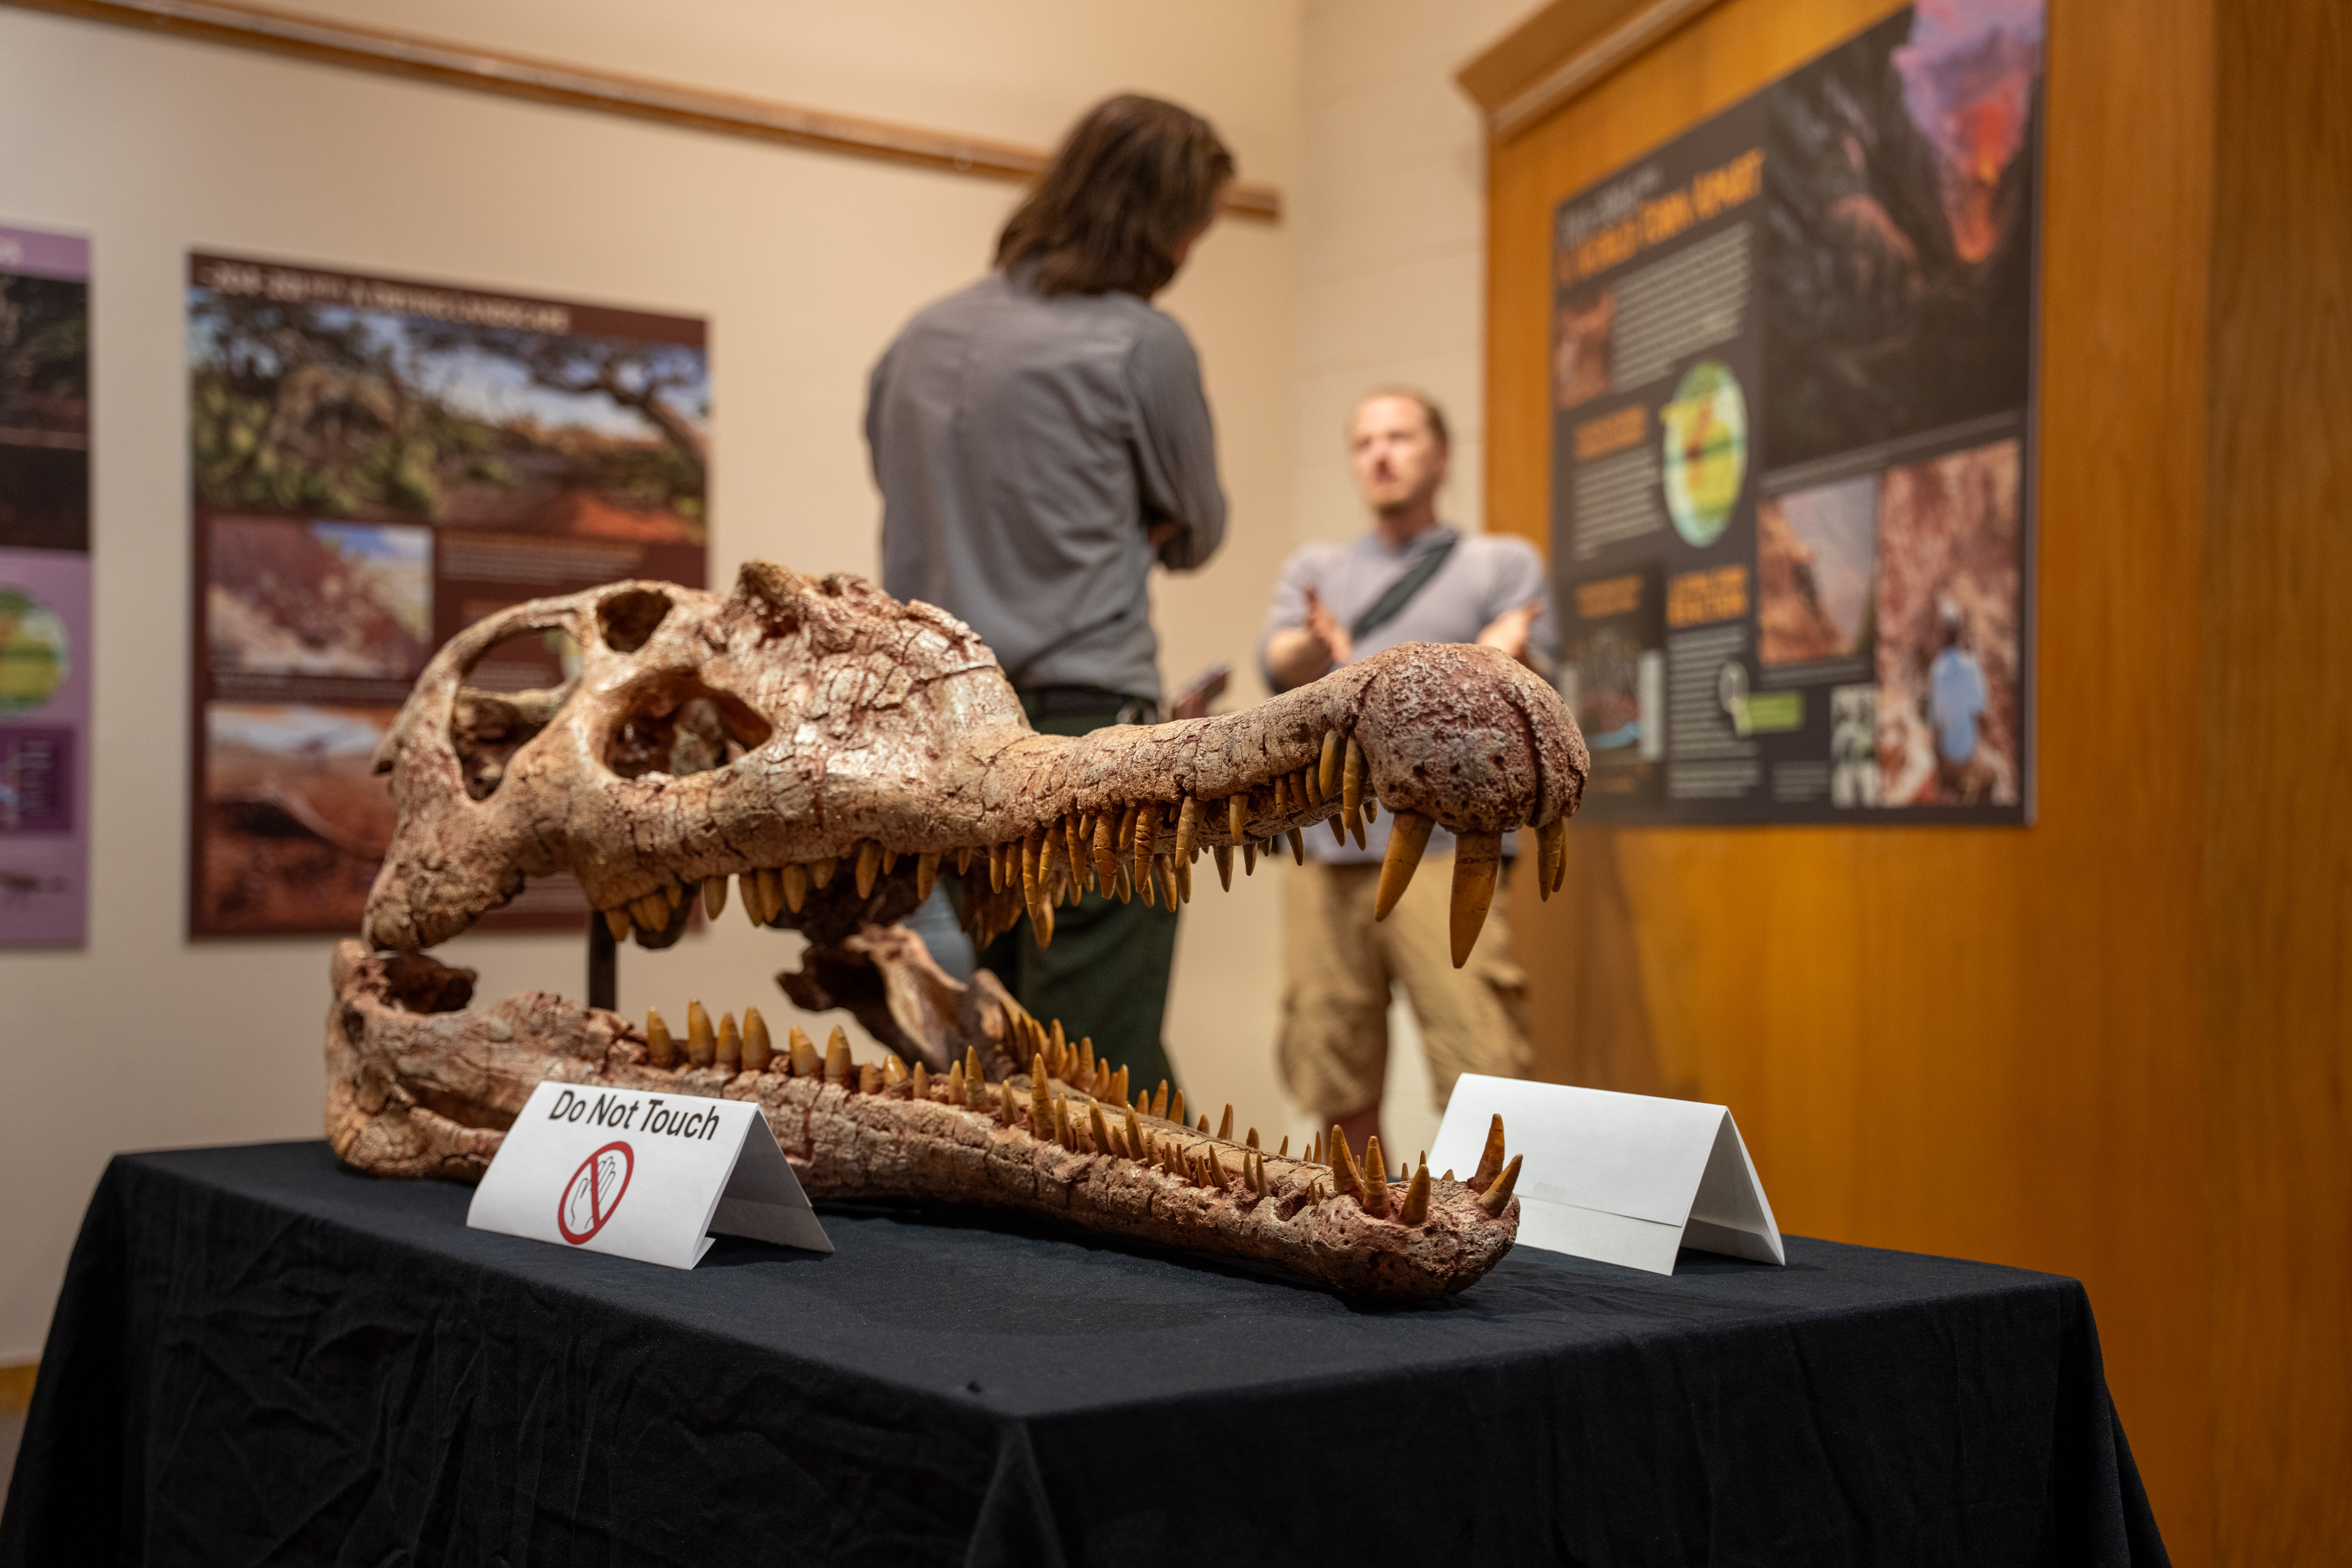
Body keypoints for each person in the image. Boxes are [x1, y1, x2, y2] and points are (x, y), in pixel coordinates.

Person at [866, 94, 1233, 1101]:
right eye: (1199, 221)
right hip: (1084, 738)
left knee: (998, 1055)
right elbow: (1199, 526)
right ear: (1164, 219)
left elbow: (907, 495)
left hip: (939, 735)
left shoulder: (917, 340)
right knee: (1099, 1077)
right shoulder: (1141, 343)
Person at [1259, 389, 1552, 1162]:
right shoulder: (1317, 567)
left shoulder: (1500, 562)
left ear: (1442, 453)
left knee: (1481, 1066)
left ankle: (1494, 1246)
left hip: (1451, 856)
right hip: (1329, 850)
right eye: (1364, 442)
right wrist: (1318, 647)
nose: (1380, 454)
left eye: (1400, 436)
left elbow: (1526, 676)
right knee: (1333, 1067)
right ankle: (1368, 1242)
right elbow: (1277, 660)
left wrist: (1500, 653)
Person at [1926, 597, 1989, 802]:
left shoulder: (1936, 670)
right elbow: (1981, 714)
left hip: (1947, 760)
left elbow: (1935, 724)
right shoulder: (1972, 666)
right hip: (1968, 758)